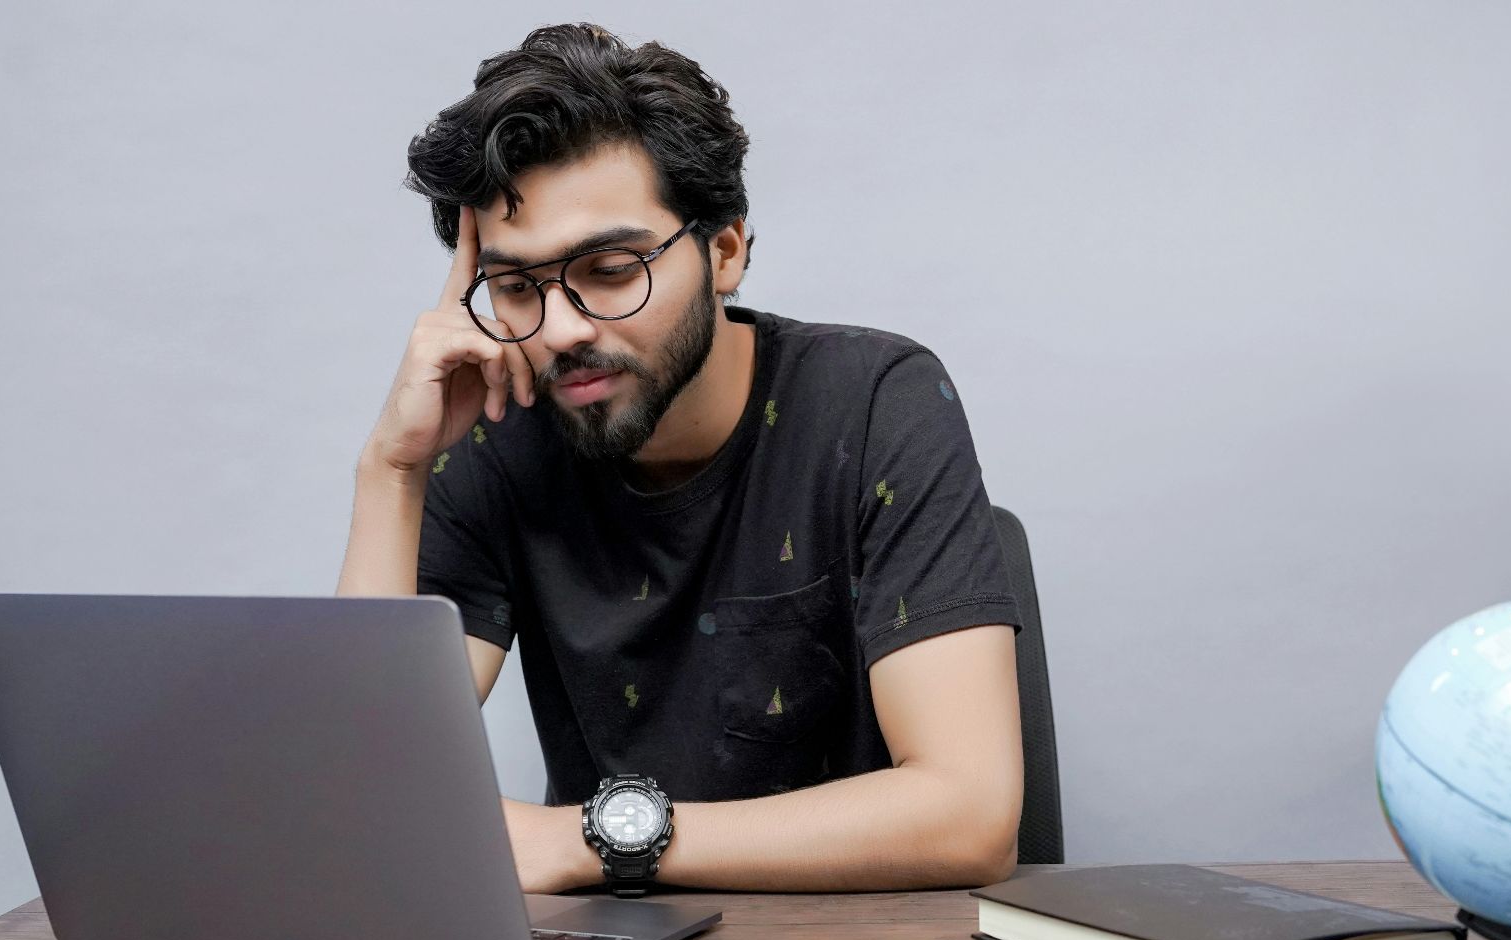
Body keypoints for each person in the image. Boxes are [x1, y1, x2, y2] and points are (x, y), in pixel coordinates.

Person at [337, 22, 1024, 896]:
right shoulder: (497, 430)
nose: (561, 330)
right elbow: (362, 793)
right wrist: (391, 472)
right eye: (515, 288)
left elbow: (971, 817)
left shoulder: (875, 399)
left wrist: (588, 842)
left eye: (612, 269)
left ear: (725, 249)